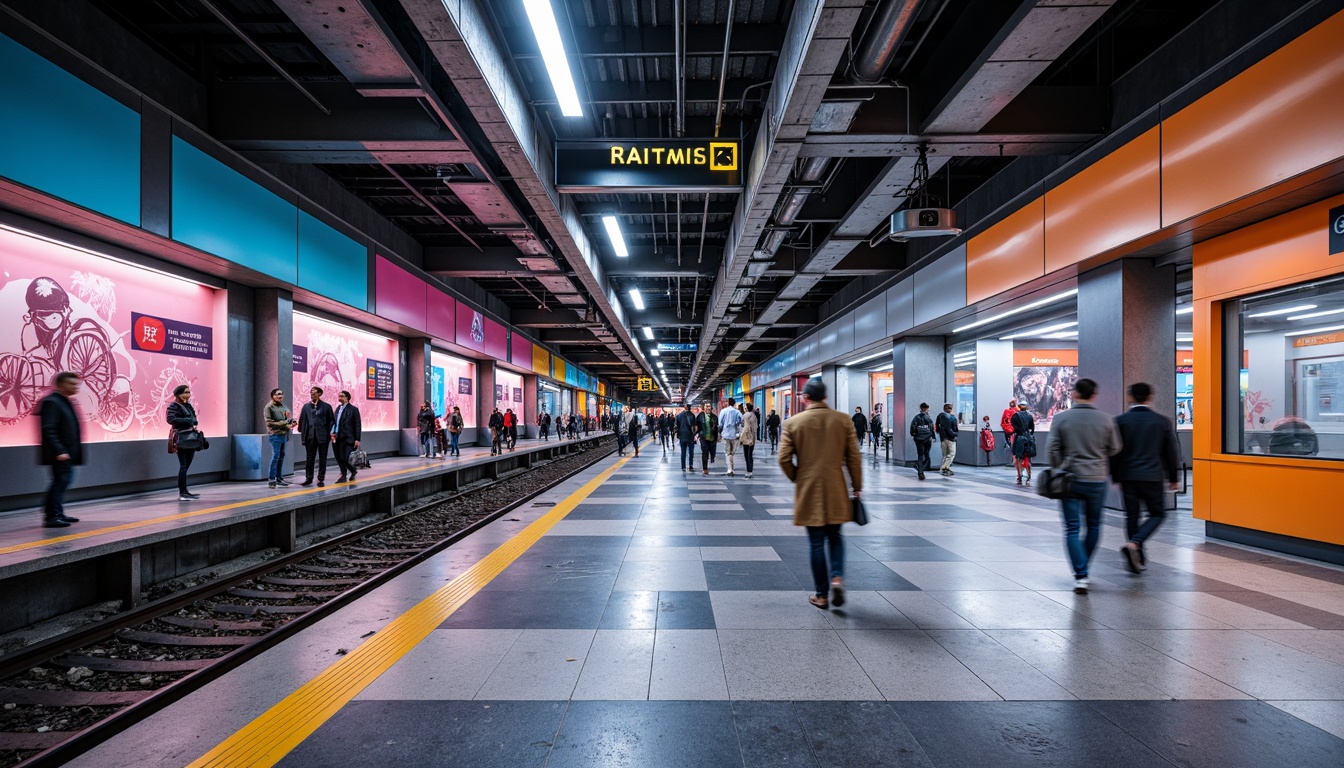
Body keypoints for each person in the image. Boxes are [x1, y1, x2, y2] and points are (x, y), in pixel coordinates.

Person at [779, 379, 862, 610]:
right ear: (825, 397)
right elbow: (854, 457)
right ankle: (837, 577)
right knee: (835, 536)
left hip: (809, 490)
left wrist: (798, 476)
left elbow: (783, 458)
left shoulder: (793, 423)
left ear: (805, 398)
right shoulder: (843, 420)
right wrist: (857, 486)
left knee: (816, 543)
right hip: (836, 487)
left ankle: (821, 595)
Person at [1048, 378, 1122, 594]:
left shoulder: (1061, 418)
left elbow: (1052, 449)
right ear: (1094, 395)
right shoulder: (1107, 420)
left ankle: (1081, 575)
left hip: (1069, 479)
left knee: (1072, 527)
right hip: (1097, 479)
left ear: (1074, 394)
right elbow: (1115, 448)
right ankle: (1083, 565)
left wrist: (1059, 467)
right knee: (1094, 524)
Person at [1112, 382, 1181, 574]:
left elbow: (1114, 452)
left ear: (1130, 398)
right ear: (1150, 397)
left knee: (1132, 516)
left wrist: (1115, 475)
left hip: (1127, 476)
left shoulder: (1120, 421)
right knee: (1157, 514)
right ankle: (1135, 544)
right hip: (1152, 476)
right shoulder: (1162, 421)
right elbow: (1170, 452)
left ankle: (1137, 558)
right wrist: (1173, 477)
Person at [37, 371, 83, 527]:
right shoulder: (52, 402)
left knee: (63, 481)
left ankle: (57, 512)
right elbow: (48, 429)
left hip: (67, 452)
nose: (75, 387)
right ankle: (51, 516)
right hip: (60, 453)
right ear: (61, 384)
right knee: (60, 482)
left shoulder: (65, 401)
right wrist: (59, 450)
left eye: (77, 384)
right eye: (72, 384)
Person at [167, 384, 202, 499]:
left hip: (190, 438)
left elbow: (194, 420)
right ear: (178, 394)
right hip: (181, 438)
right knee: (183, 466)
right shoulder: (173, 406)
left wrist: (192, 421)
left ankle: (184, 491)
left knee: (186, 466)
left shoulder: (188, 405)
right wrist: (188, 420)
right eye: (185, 392)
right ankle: (183, 492)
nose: (188, 394)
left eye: (188, 392)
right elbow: (171, 419)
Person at [299, 386, 335, 487]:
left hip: (323, 437)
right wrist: (303, 435)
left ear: (319, 394)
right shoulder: (306, 406)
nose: (312, 394)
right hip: (310, 437)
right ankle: (309, 478)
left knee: (322, 458)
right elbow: (302, 421)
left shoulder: (326, 406)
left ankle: (321, 478)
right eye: (311, 392)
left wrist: (329, 433)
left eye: (314, 393)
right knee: (309, 458)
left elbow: (331, 421)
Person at [264, 387, 295, 489]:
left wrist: (291, 422)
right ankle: (271, 479)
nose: (280, 396)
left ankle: (279, 478)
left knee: (281, 456)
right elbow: (269, 422)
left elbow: (286, 419)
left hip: (284, 434)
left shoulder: (283, 406)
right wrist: (285, 423)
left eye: (281, 394)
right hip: (275, 434)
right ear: (273, 396)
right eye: (277, 394)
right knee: (276, 456)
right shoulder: (269, 407)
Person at [332, 390, 363, 483]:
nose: (339, 397)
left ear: (347, 398)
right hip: (337, 437)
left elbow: (357, 425)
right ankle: (343, 475)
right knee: (338, 457)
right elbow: (335, 422)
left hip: (348, 438)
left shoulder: (353, 409)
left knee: (344, 458)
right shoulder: (337, 409)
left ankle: (352, 470)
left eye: (342, 396)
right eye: (339, 396)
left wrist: (357, 439)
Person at [1011, 403, 1036, 485]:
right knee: (1028, 457)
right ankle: (1029, 475)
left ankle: (1019, 475)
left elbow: (1014, 427)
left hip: (1019, 438)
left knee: (1018, 457)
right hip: (1029, 438)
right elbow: (1032, 428)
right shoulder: (1030, 416)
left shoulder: (1015, 415)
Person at [718, 398, 744, 476]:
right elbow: (741, 422)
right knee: (732, 452)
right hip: (735, 434)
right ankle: (731, 468)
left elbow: (720, 423)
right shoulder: (737, 412)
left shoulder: (723, 411)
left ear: (728, 403)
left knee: (727, 452)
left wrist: (719, 433)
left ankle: (730, 469)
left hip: (726, 434)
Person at [909, 403, 935, 480]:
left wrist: (915, 436)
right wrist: (932, 437)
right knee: (927, 455)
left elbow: (912, 429)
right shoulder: (928, 418)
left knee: (920, 455)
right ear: (926, 409)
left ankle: (920, 472)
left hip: (919, 440)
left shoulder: (916, 418)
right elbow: (931, 429)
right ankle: (921, 467)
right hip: (927, 439)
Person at [934, 403, 959, 476]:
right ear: (951, 409)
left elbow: (937, 426)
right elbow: (954, 428)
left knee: (945, 454)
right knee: (951, 453)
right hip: (950, 438)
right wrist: (954, 434)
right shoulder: (952, 417)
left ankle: (943, 468)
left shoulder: (940, 416)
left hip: (943, 438)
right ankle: (945, 467)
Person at [698, 405, 719, 475]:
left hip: (712, 438)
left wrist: (717, 437)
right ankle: (705, 468)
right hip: (703, 437)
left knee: (712, 452)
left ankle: (712, 458)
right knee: (705, 452)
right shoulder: (700, 416)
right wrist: (696, 434)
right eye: (706, 406)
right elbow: (697, 425)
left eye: (709, 406)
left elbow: (716, 428)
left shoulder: (715, 417)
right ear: (704, 408)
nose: (708, 408)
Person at [676, 403, 697, 471]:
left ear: (685, 408)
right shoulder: (692, 415)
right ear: (689, 408)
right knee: (691, 451)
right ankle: (691, 465)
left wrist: (678, 434)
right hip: (690, 435)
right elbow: (694, 427)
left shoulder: (679, 416)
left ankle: (683, 466)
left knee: (683, 451)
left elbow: (676, 426)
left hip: (682, 435)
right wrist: (694, 435)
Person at [741, 402, 759, 478]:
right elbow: (756, 427)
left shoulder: (745, 415)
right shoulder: (754, 416)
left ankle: (748, 470)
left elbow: (742, 425)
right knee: (750, 454)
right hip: (752, 437)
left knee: (746, 454)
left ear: (747, 408)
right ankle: (750, 470)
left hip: (746, 436)